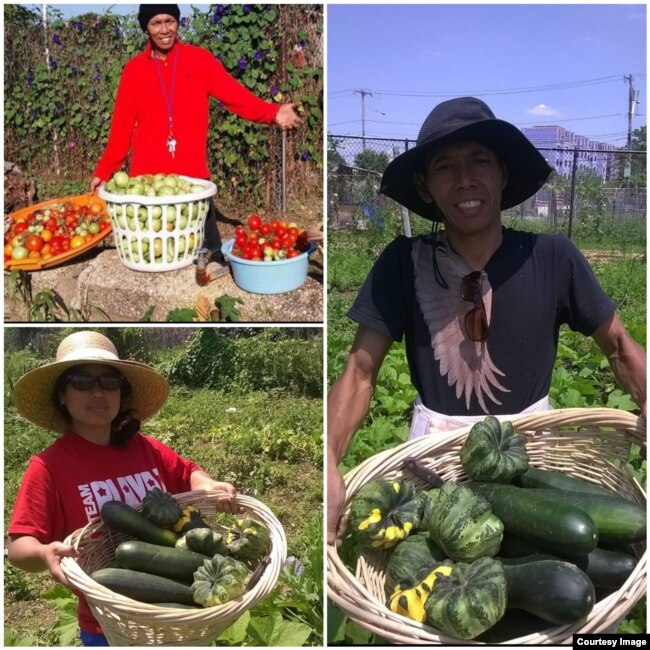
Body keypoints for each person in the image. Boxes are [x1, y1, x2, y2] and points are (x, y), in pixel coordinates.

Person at [327, 96, 646, 545]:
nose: (464, 180)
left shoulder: (553, 258)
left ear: (503, 173)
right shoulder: (404, 262)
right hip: (435, 461)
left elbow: (618, 346)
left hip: (535, 459)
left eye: (479, 161)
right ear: (424, 186)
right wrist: (327, 456)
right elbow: (359, 373)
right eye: (444, 167)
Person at [7, 330, 241, 646]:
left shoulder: (147, 449)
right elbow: (20, 545)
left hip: (177, 617)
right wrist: (43, 553)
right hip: (108, 623)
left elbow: (189, 474)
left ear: (121, 392)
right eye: (81, 382)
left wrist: (210, 486)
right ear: (62, 394)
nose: (97, 392)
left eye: (109, 382)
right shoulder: (48, 466)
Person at [90, 4, 303, 262]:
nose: (165, 29)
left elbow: (235, 96)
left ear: (178, 23)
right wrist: (104, 171)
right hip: (149, 189)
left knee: (209, 260)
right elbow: (121, 129)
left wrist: (272, 112)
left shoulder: (199, 60)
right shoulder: (134, 71)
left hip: (193, 184)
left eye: (170, 20)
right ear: (145, 27)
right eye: (156, 22)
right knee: (154, 257)